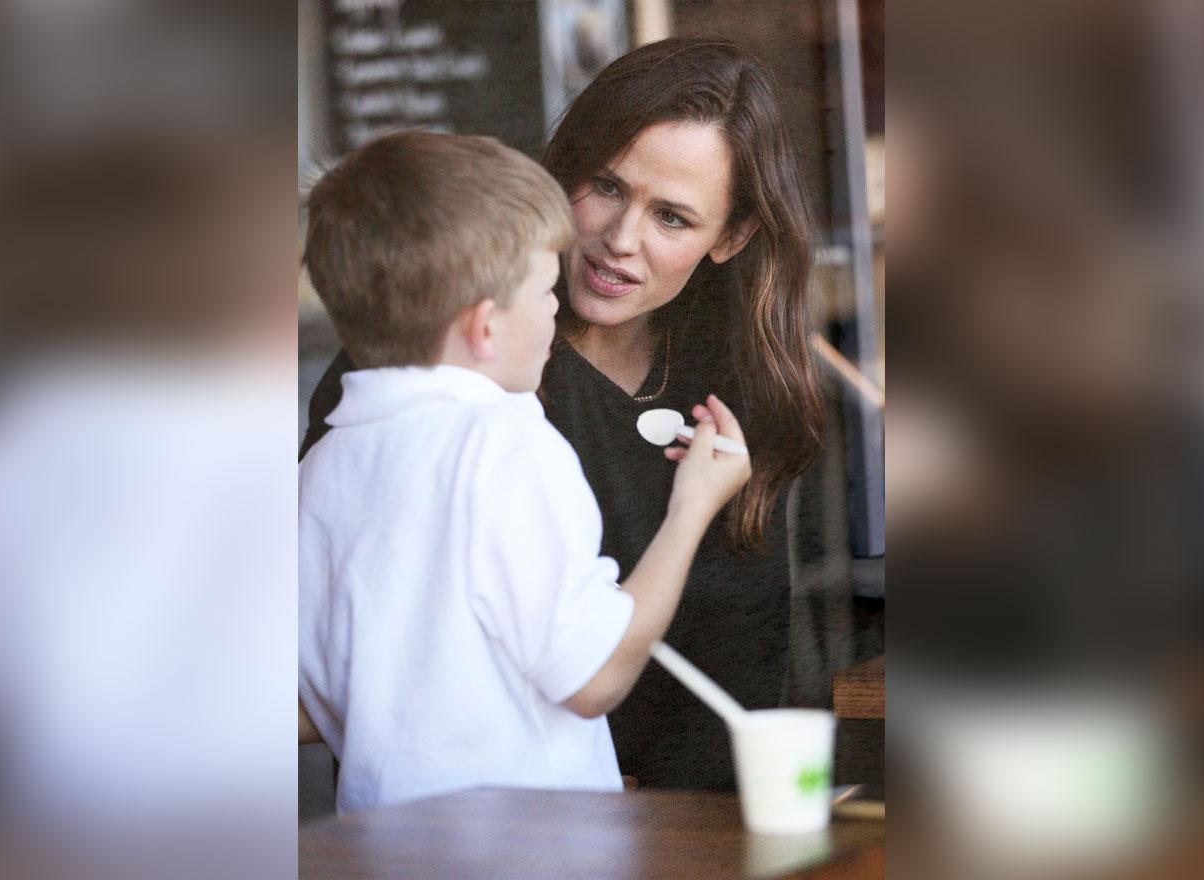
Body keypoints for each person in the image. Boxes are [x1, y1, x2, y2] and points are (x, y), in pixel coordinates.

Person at [302, 38, 825, 791]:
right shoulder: (420, 378)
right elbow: (328, 660)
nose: (620, 240)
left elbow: (750, 646)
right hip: (543, 830)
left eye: (673, 218)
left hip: (703, 820)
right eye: (606, 187)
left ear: (731, 237)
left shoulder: (742, 375)